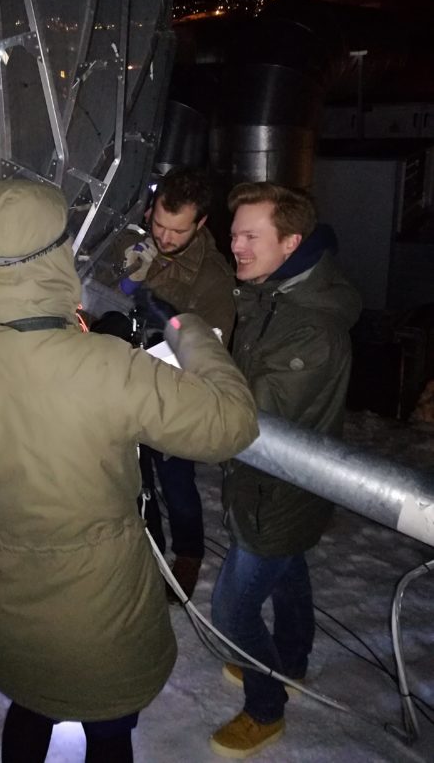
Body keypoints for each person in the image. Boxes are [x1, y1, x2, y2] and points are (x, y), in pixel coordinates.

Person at [0, 178, 258, 763]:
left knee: (30, 703)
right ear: (55, 256)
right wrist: (188, 329)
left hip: (1, 608)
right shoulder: (107, 366)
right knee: (108, 728)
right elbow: (231, 423)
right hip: (100, 615)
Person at [209, 181, 361, 758]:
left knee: (232, 611)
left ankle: (266, 708)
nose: (236, 246)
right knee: (290, 571)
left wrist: (181, 383)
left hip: (278, 489)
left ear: (291, 241)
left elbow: (246, 415)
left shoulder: (310, 326)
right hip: (277, 484)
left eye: (251, 236)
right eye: (234, 234)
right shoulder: (274, 289)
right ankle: (291, 662)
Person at [114, 166, 236, 600]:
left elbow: (212, 351)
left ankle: (187, 554)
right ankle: (149, 551)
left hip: (173, 393)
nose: (165, 238)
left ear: (200, 223)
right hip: (122, 385)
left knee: (176, 479)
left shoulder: (213, 278)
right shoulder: (131, 242)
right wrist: (125, 280)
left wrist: (167, 318)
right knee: (133, 477)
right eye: (159, 225)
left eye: (178, 231)